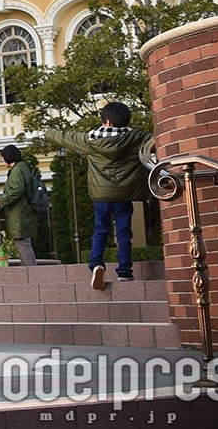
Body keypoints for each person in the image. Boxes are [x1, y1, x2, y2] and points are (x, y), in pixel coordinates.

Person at [46, 101, 152, 290]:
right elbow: (155, 141)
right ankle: (125, 272)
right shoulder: (137, 138)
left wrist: (48, 132)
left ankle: (96, 264)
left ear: (107, 121)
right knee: (124, 233)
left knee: (100, 230)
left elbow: (66, 137)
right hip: (124, 195)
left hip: (100, 195)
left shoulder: (90, 140)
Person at [0, 144, 39, 267]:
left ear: (8, 157)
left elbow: (16, 190)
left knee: (22, 243)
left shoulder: (17, 170)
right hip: (23, 212)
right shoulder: (22, 168)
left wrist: (0, 200)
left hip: (19, 214)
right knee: (23, 243)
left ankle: (33, 273)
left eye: (3, 157)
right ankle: (29, 272)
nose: (2, 161)